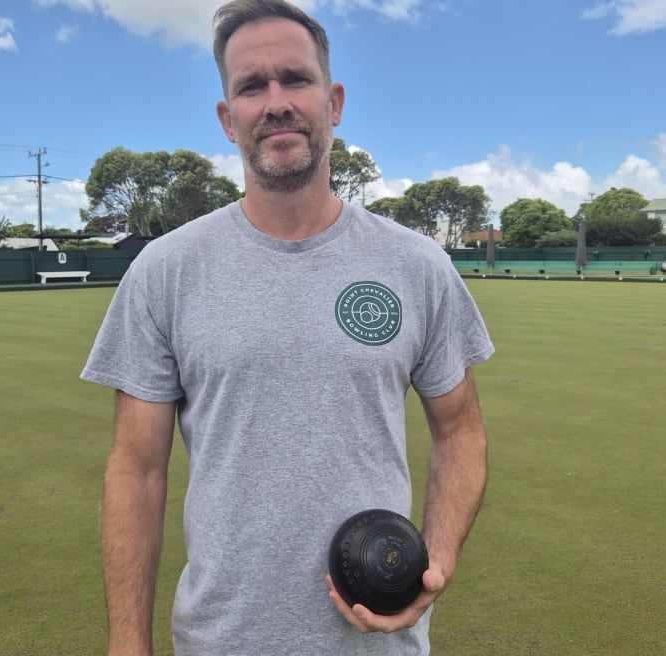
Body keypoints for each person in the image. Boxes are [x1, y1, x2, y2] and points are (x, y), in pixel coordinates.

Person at [80, 1, 494, 654]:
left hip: (376, 643)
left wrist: (434, 562)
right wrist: (127, 646)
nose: (276, 103)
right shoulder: (165, 271)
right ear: (227, 118)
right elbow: (135, 472)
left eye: (295, 79)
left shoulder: (417, 265)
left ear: (333, 101)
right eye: (251, 86)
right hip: (221, 641)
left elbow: (461, 430)